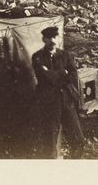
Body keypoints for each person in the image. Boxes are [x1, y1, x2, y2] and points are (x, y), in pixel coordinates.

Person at [31, 25, 86, 158]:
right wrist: (63, 73)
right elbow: (45, 77)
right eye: (49, 38)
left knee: (77, 138)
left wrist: (54, 73)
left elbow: (73, 76)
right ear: (44, 39)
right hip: (49, 103)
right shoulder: (37, 57)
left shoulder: (65, 55)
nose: (53, 40)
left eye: (55, 37)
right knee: (50, 141)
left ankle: (75, 163)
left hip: (67, 100)